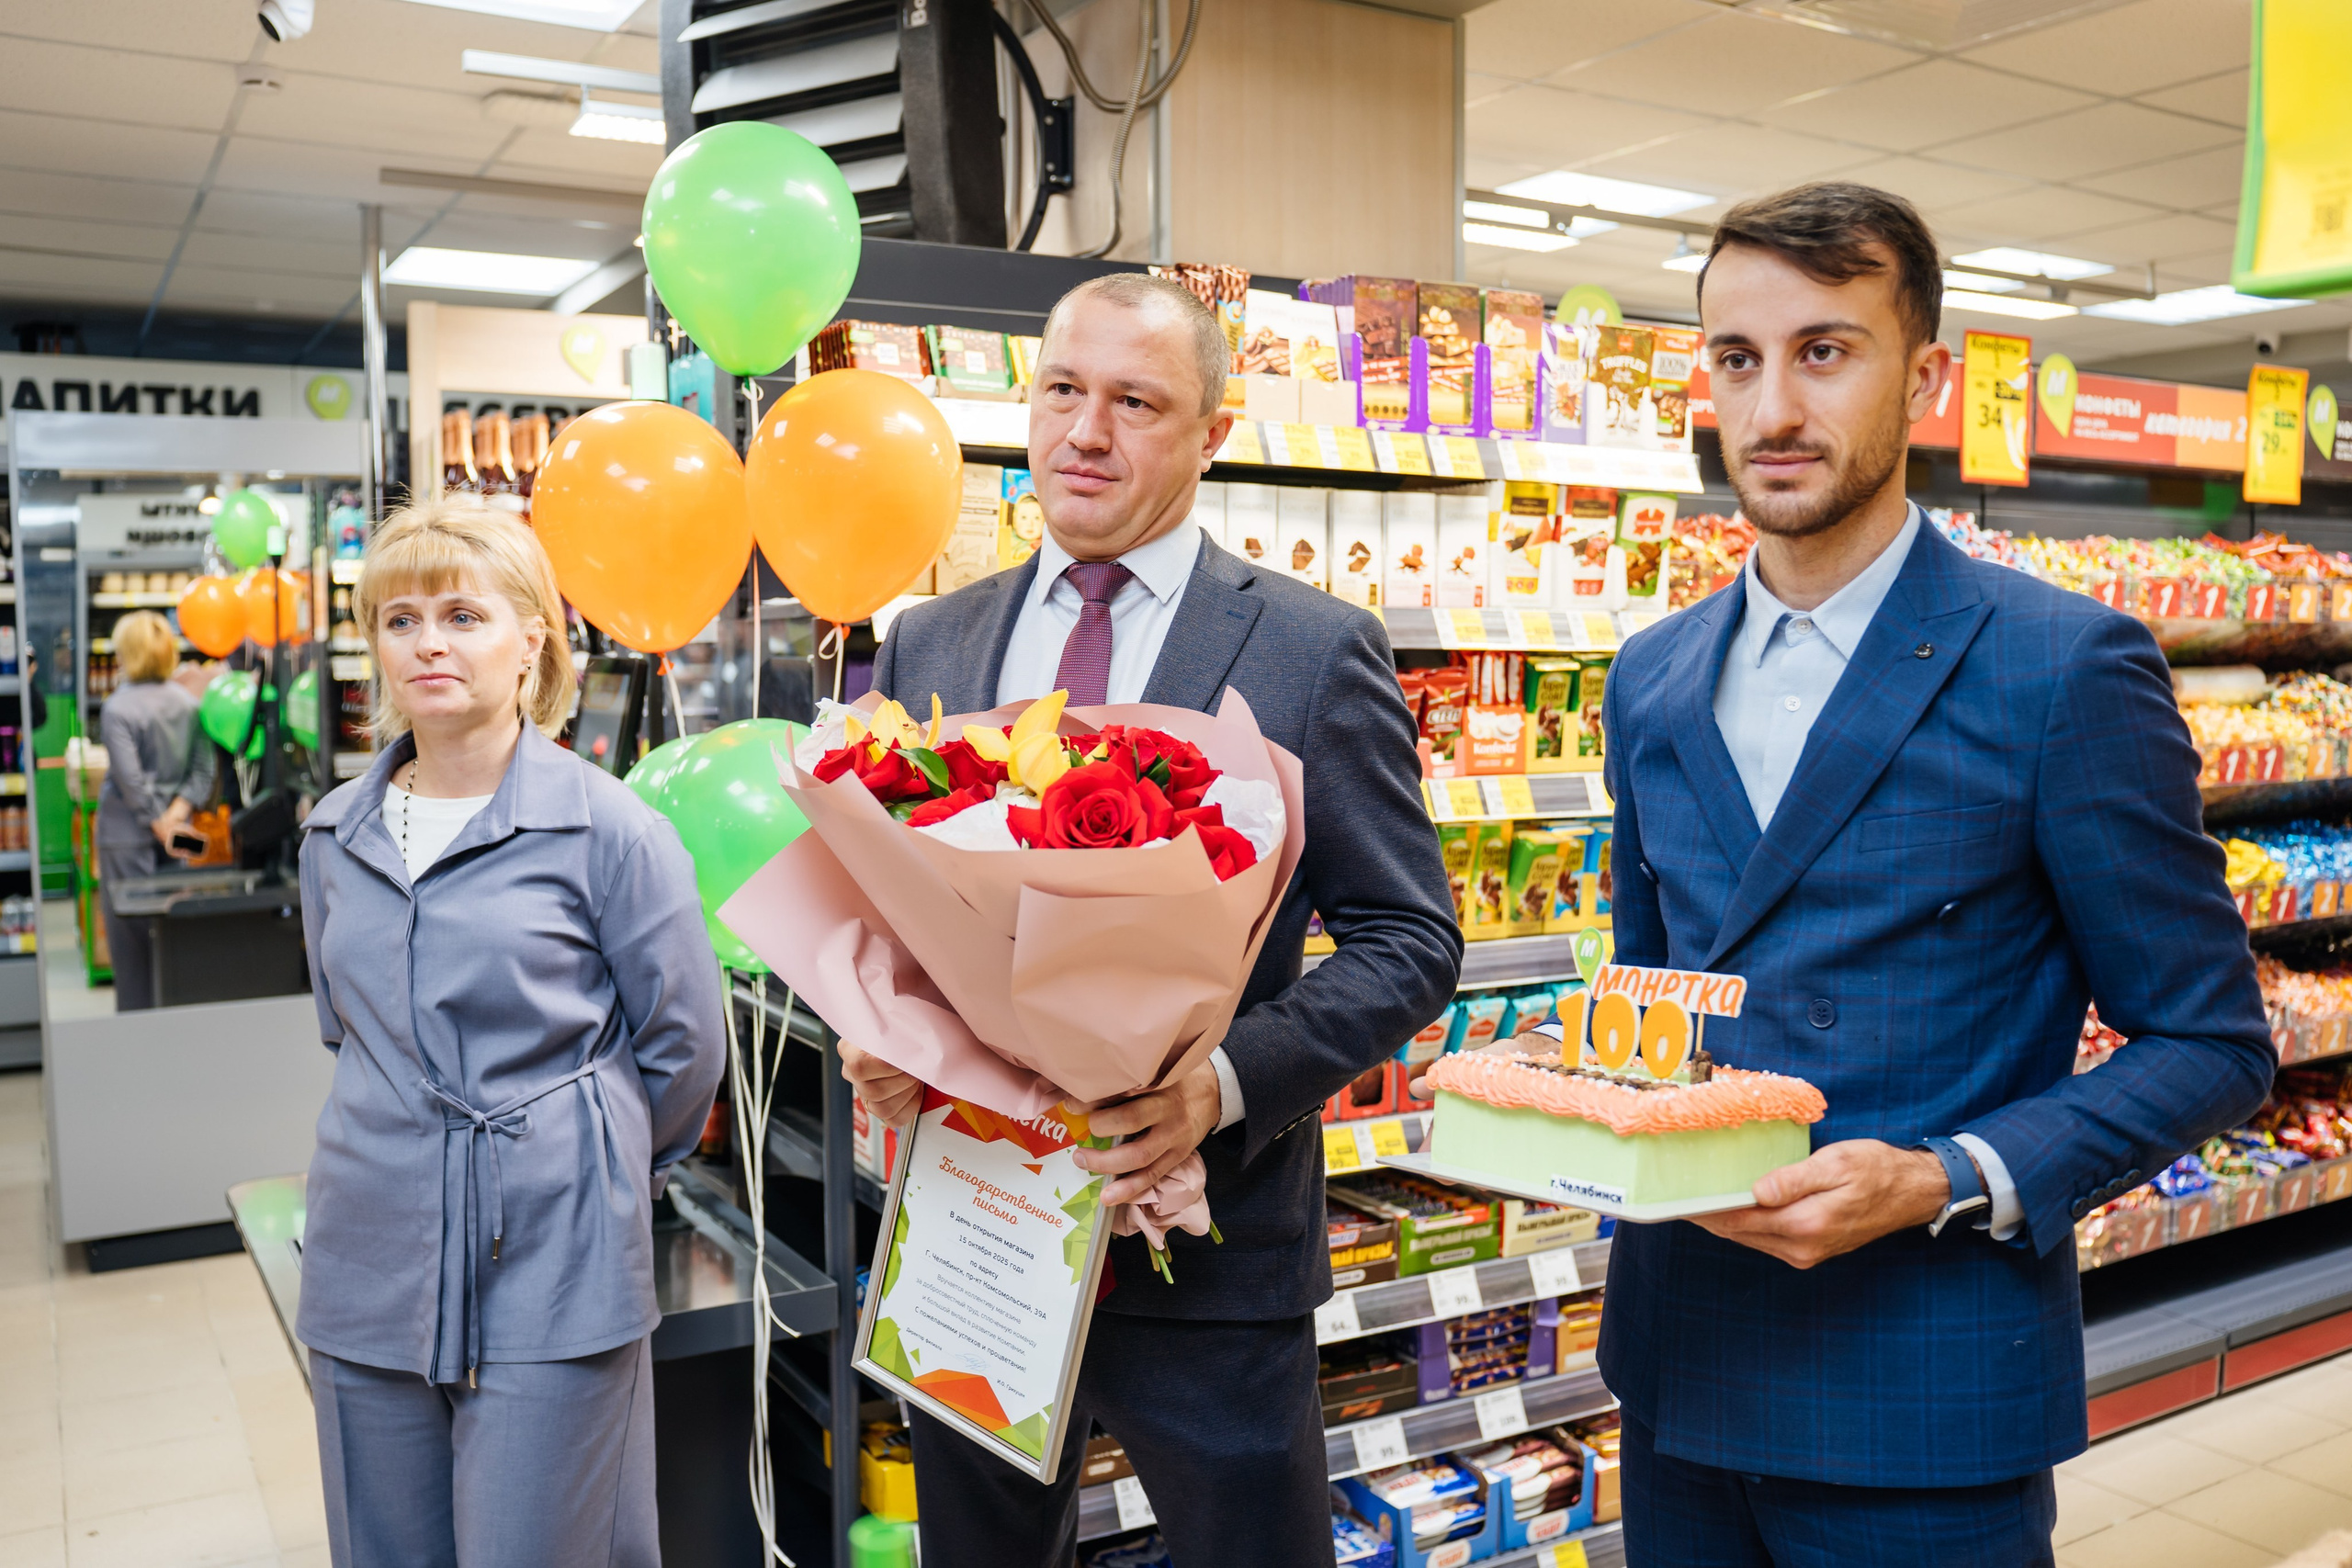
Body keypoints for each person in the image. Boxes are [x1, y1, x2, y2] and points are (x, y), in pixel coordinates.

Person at [1543, 183, 2272, 1564]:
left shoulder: (2059, 666)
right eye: (1736, 358)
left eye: (1824, 351)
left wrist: (1945, 1176)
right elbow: (1651, 999)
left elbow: (2211, 1041)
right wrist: (1561, 1107)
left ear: (1924, 379)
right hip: (1681, 1367)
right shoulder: (1651, 675)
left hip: (1919, 1390)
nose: (1772, 409)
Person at [847, 271, 1463, 1568]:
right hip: (977, 1222)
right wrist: (885, 1030)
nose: (1085, 432)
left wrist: (1219, 1087)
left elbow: (1410, 938)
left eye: (1135, 402)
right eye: (1063, 390)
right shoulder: (930, 641)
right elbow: (890, 907)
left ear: (1212, 433)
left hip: (1209, 1242)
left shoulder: (1310, 648)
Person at [295, 499, 724, 1568]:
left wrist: (590, 1160)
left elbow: (683, 1048)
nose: (427, 644)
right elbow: (347, 1031)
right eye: (399, 621)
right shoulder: (333, 834)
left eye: (462, 615)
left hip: (555, 1247)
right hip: (371, 1242)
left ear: (531, 638)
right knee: (385, 1545)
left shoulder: (611, 829)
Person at [96, 609, 214, 1010]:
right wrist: (175, 817)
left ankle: (136, 1029)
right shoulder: (190, 704)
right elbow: (203, 770)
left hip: (125, 837)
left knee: (130, 948)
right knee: (171, 937)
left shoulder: (117, 709)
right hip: (176, 837)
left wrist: (159, 822)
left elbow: (130, 781)